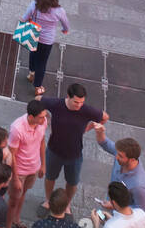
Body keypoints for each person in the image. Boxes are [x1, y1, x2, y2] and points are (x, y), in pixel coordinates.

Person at [36, 83, 107, 212]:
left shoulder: (86, 110)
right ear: (68, 97)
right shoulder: (56, 104)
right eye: (76, 102)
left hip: (75, 154)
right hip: (54, 151)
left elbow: (104, 117)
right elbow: (37, 100)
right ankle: (48, 200)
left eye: (81, 102)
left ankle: (66, 204)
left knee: (72, 182)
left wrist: (89, 127)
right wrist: (46, 118)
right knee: (50, 177)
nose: (79, 105)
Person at [5, 101, 48, 228]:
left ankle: (17, 221)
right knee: (12, 201)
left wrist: (43, 164)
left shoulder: (42, 122)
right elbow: (12, 155)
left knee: (23, 195)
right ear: (31, 116)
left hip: (33, 168)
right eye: (41, 117)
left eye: (44, 116)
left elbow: (42, 142)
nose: (44, 119)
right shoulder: (17, 129)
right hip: (20, 171)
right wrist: (15, 178)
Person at [22, 0, 69, 97]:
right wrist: (65, 30)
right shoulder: (59, 10)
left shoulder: (34, 5)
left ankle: (31, 73)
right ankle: (38, 87)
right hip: (47, 40)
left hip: (33, 34)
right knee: (42, 62)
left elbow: (23, 19)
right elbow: (65, 23)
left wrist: (28, 21)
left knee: (33, 54)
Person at [93, 126, 145, 212]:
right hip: (112, 201)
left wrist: (115, 206)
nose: (116, 157)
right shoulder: (121, 156)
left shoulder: (140, 186)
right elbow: (105, 143)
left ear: (131, 159)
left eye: (120, 156)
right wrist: (100, 132)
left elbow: (141, 211)